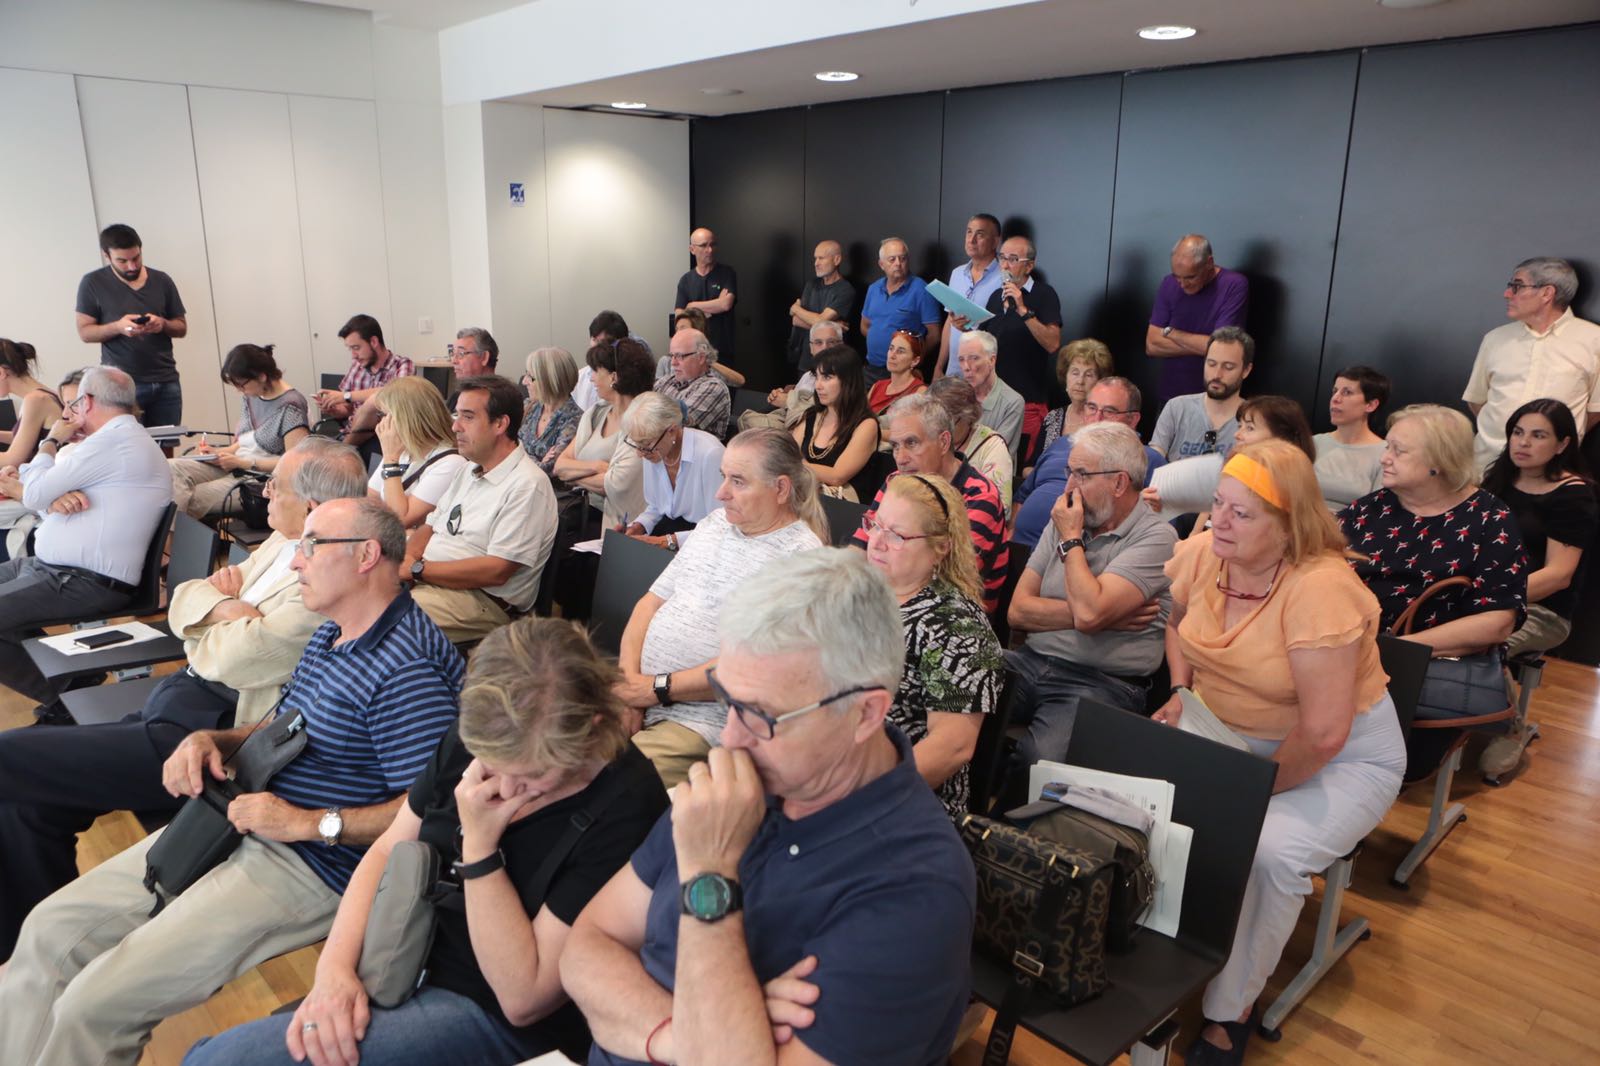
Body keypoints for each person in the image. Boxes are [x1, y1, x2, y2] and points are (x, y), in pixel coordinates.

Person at [0, 497, 462, 1066]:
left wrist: (303, 823)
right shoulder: (333, 633)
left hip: (309, 863)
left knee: (95, 1005)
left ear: (366, 555)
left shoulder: (409, 670)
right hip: (237, 819)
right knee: (48, 930)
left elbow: (431, 811)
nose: (296, 560)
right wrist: (215, 740)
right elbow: (283, 725)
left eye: (311, 545)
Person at [182, 618, 670, 1066]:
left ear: (592, 730)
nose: (503, 785)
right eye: (490, 761)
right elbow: (386, 849)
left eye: (532, 774)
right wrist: (333, 970)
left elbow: (524, 1000)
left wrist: (480, 849)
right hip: (399, 956)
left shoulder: (626, 804)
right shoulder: (481, 736)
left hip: (492, 1014)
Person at [562, 549, 976, 1066]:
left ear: (866, 713)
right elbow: (586, 944)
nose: (731, 738)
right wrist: (692, 1037)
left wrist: (709, 875)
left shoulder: (917, 890)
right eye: (726, 699)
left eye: (760, 714)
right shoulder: (743, 781)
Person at [0, 439, 362, 959]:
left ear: (310, 507)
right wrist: (224, 609)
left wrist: (208, 614)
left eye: (274, 485)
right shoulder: (282, 543)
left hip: (211, 736)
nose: (263, 491)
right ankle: (27, 955)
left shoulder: (326, 577)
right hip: (176, 699)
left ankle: (39, 956)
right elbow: (185, 597)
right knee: (27, 809)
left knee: (9, 756)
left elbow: (237, 658)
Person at [1152, 440, 1405, 1066]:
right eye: (1218, 504)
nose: (1220, 521)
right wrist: (1182, 693)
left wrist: (1245, 795)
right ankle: (1159, 956)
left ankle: (1230, 1009)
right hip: (1228, 729)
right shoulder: (1205, 553)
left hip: (1341, 757)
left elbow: (1323, 734)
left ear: (1289, 525)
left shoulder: (1319, 588)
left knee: (1268, 856)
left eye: (1241, 513)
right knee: (1142, 801)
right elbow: (1176, 623)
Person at [616, 429, 827, 785]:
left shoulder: (803, 560)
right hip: (637, 693)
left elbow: (751, 667)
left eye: (738, 481)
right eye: (723, 476)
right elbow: (648, 604)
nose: (720, 492)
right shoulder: (714, 524)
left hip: (700, 722)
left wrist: (652, 690)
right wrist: (629, 689)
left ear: (780, 489)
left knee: (606, 785)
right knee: (551, 750)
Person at [1337, 405, 1527, 778]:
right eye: (1387, 447)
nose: (1385, 458)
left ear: (1439, 462)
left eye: (1398, 450)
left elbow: (1497, 621)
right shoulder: (1369, 509)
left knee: (1377, 765)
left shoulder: (1489, 519)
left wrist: (1393, 650)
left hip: (1424, 668)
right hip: (1346, 655)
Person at [1007, 422, 1176, 778]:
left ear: (1119, 483)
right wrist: (1104, 617)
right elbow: (1018, 611)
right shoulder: (1067, 517)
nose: (1068, 487)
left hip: (1103, 682)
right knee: (952, 692)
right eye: (1069, 472)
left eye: (1081, 475)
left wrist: (1071, 540)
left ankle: (1008, 817)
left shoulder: (1157, 538)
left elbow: (1089, 613)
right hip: (1030, 661)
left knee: (1041, 761)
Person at [0, 366, 171, 717]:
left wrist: (51, 440)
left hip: (80, 581)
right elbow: (40, 492)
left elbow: (33, 490)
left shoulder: (111, 442)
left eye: (73, 405)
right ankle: (70, 685)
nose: (69, 414)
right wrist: (51, 497)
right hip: (51, 569)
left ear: (87, 402)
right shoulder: (116, 439)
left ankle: (66, 694)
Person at [863, 473, 1004, 817]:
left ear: (940, 548)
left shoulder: (956, 626)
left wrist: (857, 799)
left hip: (902, 804)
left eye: (896, 535)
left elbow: (952, 747)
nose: (876, 542)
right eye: (875, 525)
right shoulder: (861, 593)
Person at [1475, 400, 1596, 775]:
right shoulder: (1498, 478)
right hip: (1485, 597)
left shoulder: (1573, 494)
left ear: (1562, 444)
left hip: (1543, 611)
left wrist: (1489, 597)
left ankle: (1511, 726)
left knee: (1480, 642)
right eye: (1517, 432)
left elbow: (1559, 575)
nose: (1523, 442)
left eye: (1538, 435)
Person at [406, 376, 558, 642]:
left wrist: (417, 569)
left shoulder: (527, 485)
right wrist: (406, 562)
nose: (455, 426)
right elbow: (430, 526)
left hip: (480, 602)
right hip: (431, 582)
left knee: (384, 621)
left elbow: (497, 570)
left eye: (468, 417)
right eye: (457, 415)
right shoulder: (468, 469)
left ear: (500, 424)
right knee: (352, 598)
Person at [853, 392, 1008, 614]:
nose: (900, 458)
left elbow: (945, 581)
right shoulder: (897, 480)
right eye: (895, 446)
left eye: (912, 443)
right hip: (889, 598)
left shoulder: (980, 497)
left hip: (951, 618)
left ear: (943, 442)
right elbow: (859, 546)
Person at [1462, 256, 1600, 471]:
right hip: (1487, 466)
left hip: (1552, 472)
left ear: (1547, 293)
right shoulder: (1495, 339)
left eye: (1517, 286)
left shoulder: (1594, 340)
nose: (1507, 294)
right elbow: (1477, 400)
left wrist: (1548, 443)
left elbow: (1595, 411)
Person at [1013, 377, 1165, 554]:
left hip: (1078, 555)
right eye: (1092, 408)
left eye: (1109, 411)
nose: (1097, 418)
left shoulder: (1148, 459)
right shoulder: (1061, 444)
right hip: (1018, 549)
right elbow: (1022, 497)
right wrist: (1010, 533)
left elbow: (1158, 522)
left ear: (1132, 420)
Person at [168, 343, 310, 518]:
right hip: (237, 466)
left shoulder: (291, 406)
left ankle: (171, 535)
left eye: (241, 385)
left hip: (259, 481)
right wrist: (218, 453)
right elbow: (247, 442)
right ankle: (173, 533)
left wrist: (243, 463)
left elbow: (294, 463)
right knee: (171, 468)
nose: (239, 391)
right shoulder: (253, 394)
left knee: (185, 498)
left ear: (262, 376)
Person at [74, 223, 188, 427]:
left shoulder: (162, 280)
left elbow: (181, 327)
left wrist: (162, 324)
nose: (132, 266)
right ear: (106, 256)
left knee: (168, 443)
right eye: (122, 261)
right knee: (127, 441)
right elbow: (85, 332)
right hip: (120, 385)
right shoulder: (92, 283)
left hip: (166, 380)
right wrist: (118, 327)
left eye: (136, 258)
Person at [1142, 395, 1314, 524]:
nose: (1237, 434)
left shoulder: (1289, 483)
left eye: (1250, 428)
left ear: (1281, 437)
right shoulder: (1235, 465)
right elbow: (1206, 513)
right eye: (1240, 426)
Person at [972, 235, 1064, 463]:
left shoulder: (1044, 294)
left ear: (1029, 266)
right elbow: (984, 341)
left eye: (1013, 259)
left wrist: (1023, 310)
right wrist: (964, 325)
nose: (1005, 265)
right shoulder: (996, 297)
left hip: (1027, 401)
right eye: (1002, 258)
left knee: (1016, 465)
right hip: (991, 400)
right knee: (986, 460)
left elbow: (1053, 343)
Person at [553, 339, 655, 530]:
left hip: (618, 522)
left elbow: (615, 485)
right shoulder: (595, 413)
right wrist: (598, 467)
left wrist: (573, 476)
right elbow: (560, 466)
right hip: (581, 510)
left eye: (595, 371)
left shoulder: (642, 422)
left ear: (613, 377)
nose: (591, 378)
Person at [1145, 234, 1250, 405]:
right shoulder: (1168, 283)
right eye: (1177, 276)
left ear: (1209, 263)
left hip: (1213, 397)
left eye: (1190, 277)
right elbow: (1152, 345)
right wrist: (1203, 345)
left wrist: (1172, 333)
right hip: (1170, 397)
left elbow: (1221, 347)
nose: (1182, 284)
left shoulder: (1233, 284)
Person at [621, 391, 725, 550]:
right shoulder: (654, 450)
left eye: (646, 444)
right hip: (670, 533)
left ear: (672, 431)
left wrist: (670, 541)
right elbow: (657, 506)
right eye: (637, 444)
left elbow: (721, 524)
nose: (639, 453)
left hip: (705, 543)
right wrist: (639, 525)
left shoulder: (710, 454)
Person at [369, 375, 469, 529]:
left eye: (386, 415)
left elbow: (400, 519)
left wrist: (390, 460)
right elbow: (370, 500)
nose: (382, 423)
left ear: (408, 418)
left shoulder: (451, 463)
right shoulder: (401, 450)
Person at [1150, 326, 1254, 459]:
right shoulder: (1176, 408)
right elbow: (1155, 457)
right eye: (1211, 364)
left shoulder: (1254, 420)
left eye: (1228, 367)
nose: (1217, 375)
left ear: (1246, 370)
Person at [795, 344, 879, 502]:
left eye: (827, 378)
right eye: (817, 377)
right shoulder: (812, 415)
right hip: (808, 496)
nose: (818, 385)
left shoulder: (866, 425)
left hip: (844, 506)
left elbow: (837, 476)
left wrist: (796, 465)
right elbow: (788, 453)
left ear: (848, 380)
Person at [312, 314, 415, 440]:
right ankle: (345, 446)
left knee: (372, 404)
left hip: (384, 436)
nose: (353, 355)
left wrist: (346, 396)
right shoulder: (357, 366)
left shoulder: (403, 364)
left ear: (374, 342)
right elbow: (348, 409)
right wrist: (335, 410)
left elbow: (395, 394)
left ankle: (346, 447)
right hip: (352, 432)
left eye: (356, 348)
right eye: (350, 349)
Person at [0, 340, 65, 537]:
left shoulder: (35, 400)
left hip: (42, 486)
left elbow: (12, 459)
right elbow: (27, 439)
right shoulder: (43, 394)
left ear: (1, 372)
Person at [860, 237, 942, 385]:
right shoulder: (873, 289)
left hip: (903, 372)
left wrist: (915, 359)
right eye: (892, 259)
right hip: (871, 368)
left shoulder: (921, 289)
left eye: (902, 258)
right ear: (881, 264)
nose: (898, 263)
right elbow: (865, 326)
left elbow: (934, 335)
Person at [934, 212, 1004, 380]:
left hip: (983, 374)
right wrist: (939, 366)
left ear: (995, 241)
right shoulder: (957, 273)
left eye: (980, 234)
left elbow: (1004, 331)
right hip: (954, 371)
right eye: (969, 232)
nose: (971, 240)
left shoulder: (1004, 277)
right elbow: (949, 322)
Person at [929, 375, 1014, 510]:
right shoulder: (928, 438)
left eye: (949, 423)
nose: (940, 430)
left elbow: (999, 507)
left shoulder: (992, 446)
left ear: (968, 416)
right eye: (933, 422)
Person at [1314, 365, 1389, 513]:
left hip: (1351, 525)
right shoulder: (1313, 442)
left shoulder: (1385, 454)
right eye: (1335, 391)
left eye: (1347, 392)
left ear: (1370, 405)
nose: (1335, 399)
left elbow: (1376, 511)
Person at [751, 320, 846, 432]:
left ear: (841, 345)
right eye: (818, 343)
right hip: (789, 425)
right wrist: (779, 395)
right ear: (811, 348)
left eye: (831, 342)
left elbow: (830, 412)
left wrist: (788, 402)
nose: (825, 347)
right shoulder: (808, 375)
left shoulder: (846, 376)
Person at [788, 239, 856, 372]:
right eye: (815, 258)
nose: (816, 263)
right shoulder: (811, 285)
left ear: (836, 260)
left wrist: (795, 308)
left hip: (831, 362)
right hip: (806, 360)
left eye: (821, 258)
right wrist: (834, 326)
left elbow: (819, 320)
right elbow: (795, 320)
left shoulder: (845, 290)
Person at [957, 329, 1025, 463]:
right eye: (961, 359)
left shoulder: (1012, 402)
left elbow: (994, 454)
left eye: (974, 358)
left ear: (992, 360)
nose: (966, 366)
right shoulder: (956, 395)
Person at [1039, 337, 1114, 454]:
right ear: (1065, 376)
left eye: (1089, 375)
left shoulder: (1105, 421)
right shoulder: (1053, 418)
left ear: (1099, 381)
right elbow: (1034, 462)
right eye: (1075, 373)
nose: (1080, 381)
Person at [674, 227, 738, 364]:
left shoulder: (727, 273)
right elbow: (680, 318)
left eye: (712, 244)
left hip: (722, 351)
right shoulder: (685, 280)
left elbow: (725, 304)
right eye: (703, 245)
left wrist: (692, 306)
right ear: (692, 249)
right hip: (694, 352)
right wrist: (713, 307)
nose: (709, 250)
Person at [657, 328, 732, 439]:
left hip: (689, 449)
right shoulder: (667, 380)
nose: (673, 362)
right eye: (671, 356)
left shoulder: (713, 387)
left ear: (701, 357)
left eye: (679, 356)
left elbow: (675, 426)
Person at [519, 345, 583, 475]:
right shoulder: (529, 407)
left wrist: (520, 454)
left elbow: (550, 468)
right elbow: (503, 447)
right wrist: (537, 461)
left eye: (530, 377)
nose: (524, 382)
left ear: (548, 380)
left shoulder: (575, 420)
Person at [574, 311, 650, 411]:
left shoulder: (634, 379)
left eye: (604, 342)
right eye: (594, 340)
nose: (597, 347)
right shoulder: (580, 377)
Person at [867, 328, 928, 414]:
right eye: (891, 348)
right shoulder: (877, 386)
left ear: (915, 361)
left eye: (900, 351)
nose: (892, 355)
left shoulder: (920, 392)